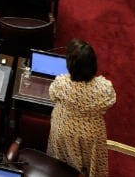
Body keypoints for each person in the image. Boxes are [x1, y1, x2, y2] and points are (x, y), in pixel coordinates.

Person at [47, 38, 116, 176]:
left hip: (63, 131)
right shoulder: (105, 88)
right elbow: (111, 102)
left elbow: (52, 95)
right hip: (91, 136)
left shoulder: (62, 83)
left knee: (61, 168)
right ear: (93, 64)